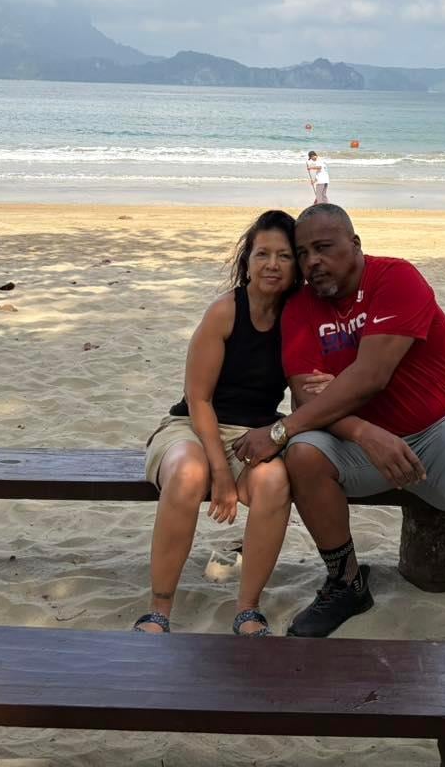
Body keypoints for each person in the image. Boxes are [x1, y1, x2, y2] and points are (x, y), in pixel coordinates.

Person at [233, 203, 445, 643]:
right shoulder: (300, 308)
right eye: (302, 253)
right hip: (355, 441)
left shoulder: (396, 279)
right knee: (303, 456)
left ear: (355, 244)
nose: (312, 261)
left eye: (324, 248)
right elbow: (305, 395)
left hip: (436, 428)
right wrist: (362, 430)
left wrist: (320, 402)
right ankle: (346, 584)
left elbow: (371, 375)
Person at [136, 210, 298, 637]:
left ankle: (247, 609)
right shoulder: (225, 311)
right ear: (247, 261)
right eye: (262, 254)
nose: (272, 265)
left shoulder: (298, 318)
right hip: (192, 426)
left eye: (284, 256)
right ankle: (158, 610)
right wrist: (221, 473)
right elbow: (199, 398)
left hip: (253, 435)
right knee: (190, 473)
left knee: (275, 483)